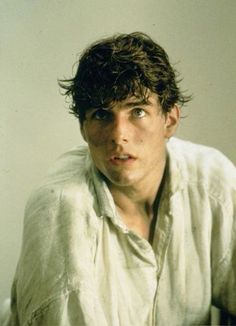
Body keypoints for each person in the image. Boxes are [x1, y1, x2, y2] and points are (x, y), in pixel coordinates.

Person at [5, 32, 236, 325]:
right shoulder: (60, 209)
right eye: (102, 114)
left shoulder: (211, 182)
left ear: (170, 120)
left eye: (137, 111)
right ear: (83, 129)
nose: (119, 136)